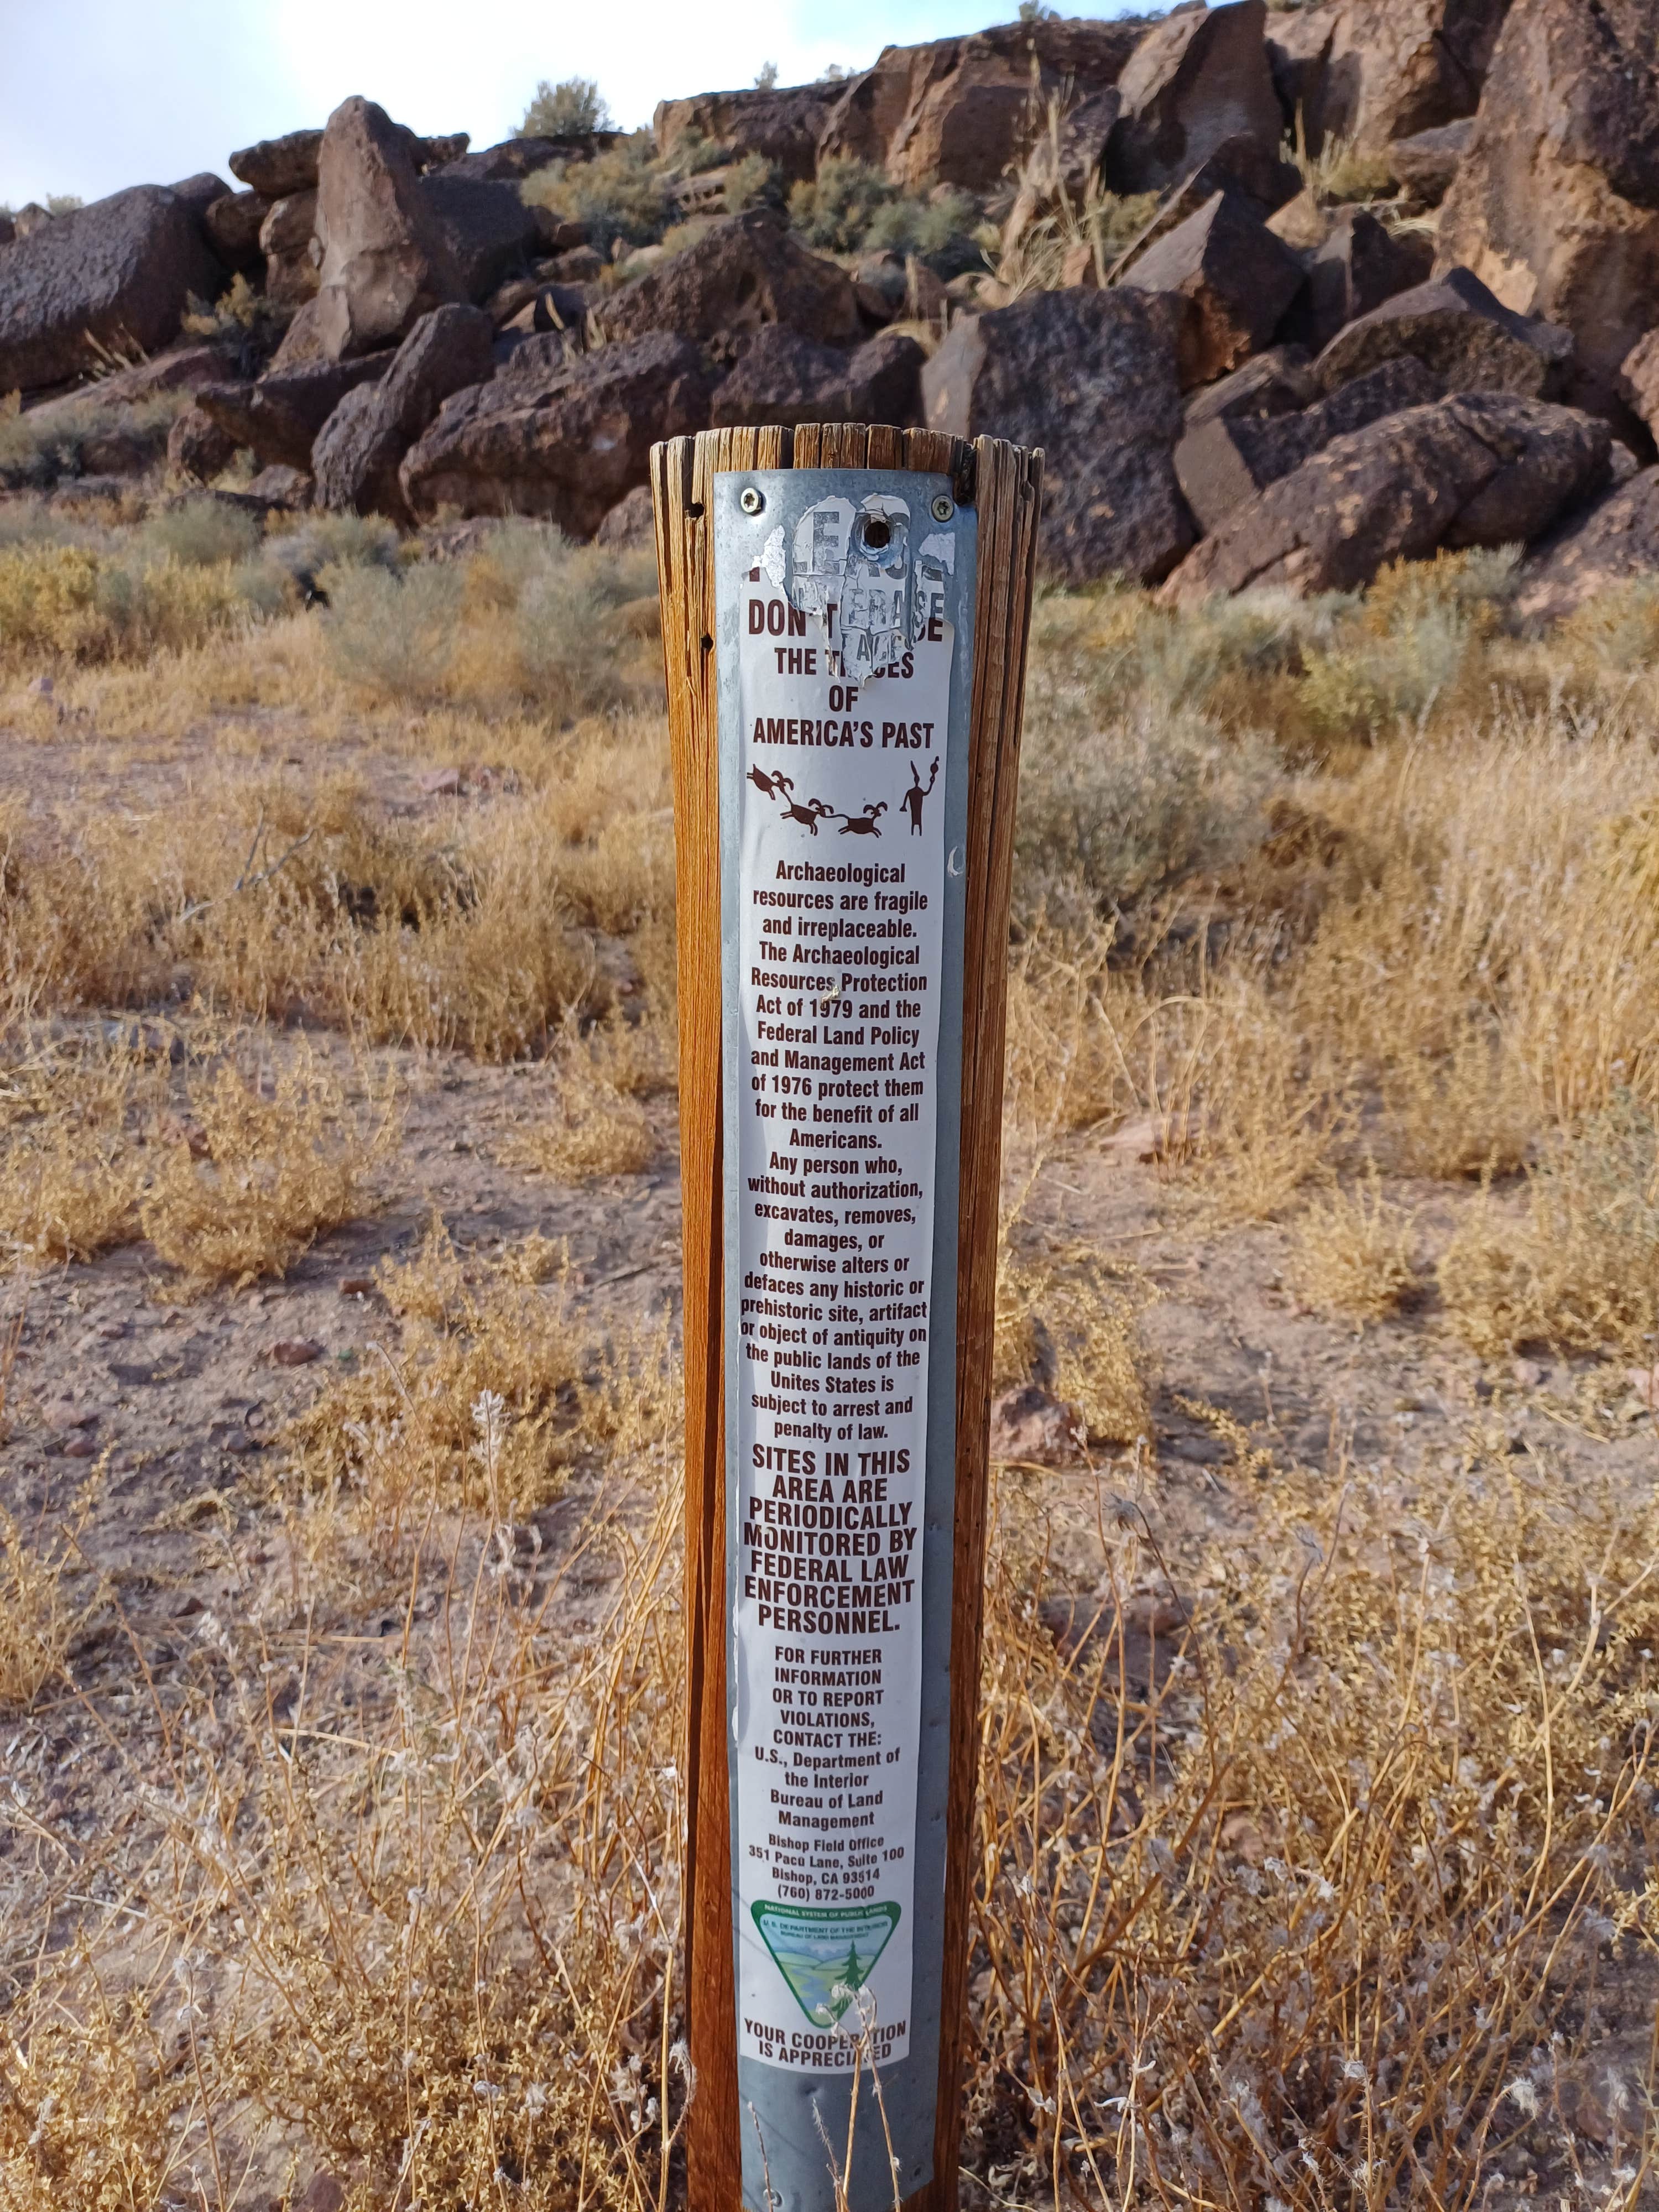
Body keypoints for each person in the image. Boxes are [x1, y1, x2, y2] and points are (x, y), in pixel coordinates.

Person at [901, 758, 940, 836]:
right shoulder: (917, 791)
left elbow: (927, 793)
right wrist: (931, 784)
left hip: (917, 809)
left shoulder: (912, 791)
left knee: (916, 821)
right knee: (917, 822)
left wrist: (932, 783)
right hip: (917, 809)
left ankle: (916, 834)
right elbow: (927, 792)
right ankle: (916, 834)